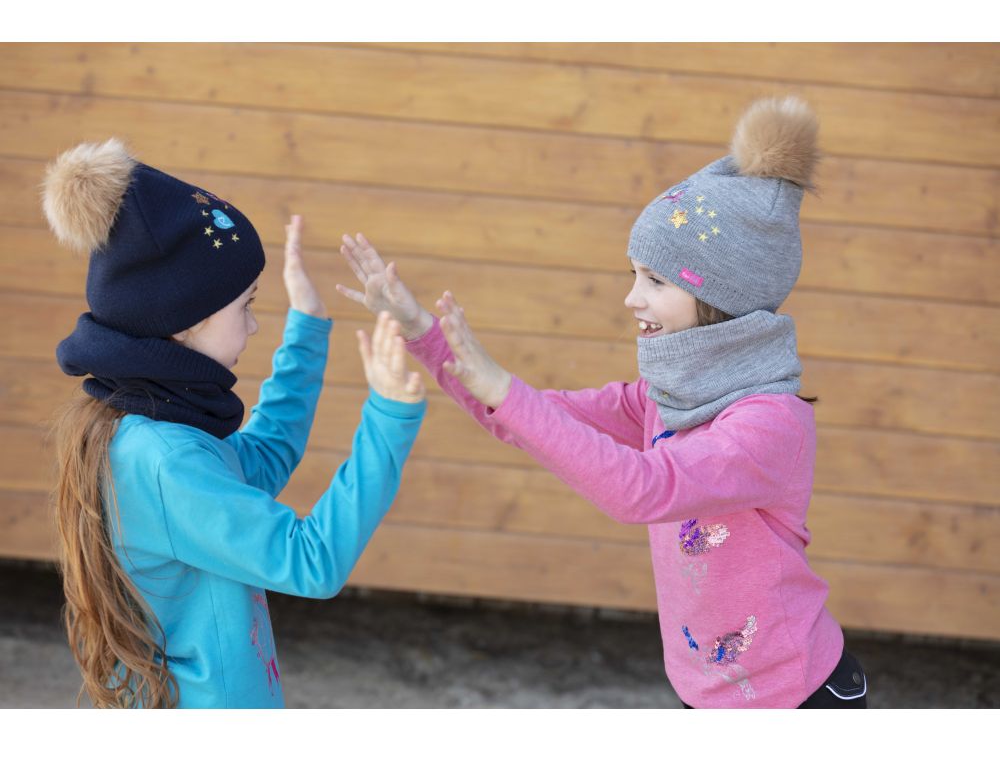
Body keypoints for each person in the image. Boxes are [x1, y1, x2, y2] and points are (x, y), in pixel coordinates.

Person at [337, 97, 868, 709]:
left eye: (656, 280)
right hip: (706, 692)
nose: (631, 298)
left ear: (722, 296)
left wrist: (503, 387)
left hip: (796, 694)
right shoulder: (663, 399)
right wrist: (422, 332)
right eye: (633, 274)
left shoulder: (770, 424)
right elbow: (522, 421)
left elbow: (642, 489)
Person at [44, 138, 426, 708]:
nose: (252, 325)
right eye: (244, 305)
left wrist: (307, 326)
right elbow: (311, 561)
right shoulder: (166, 460)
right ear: (182, 322)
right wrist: (388, 417)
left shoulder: (153, 426)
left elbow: (264, 457)